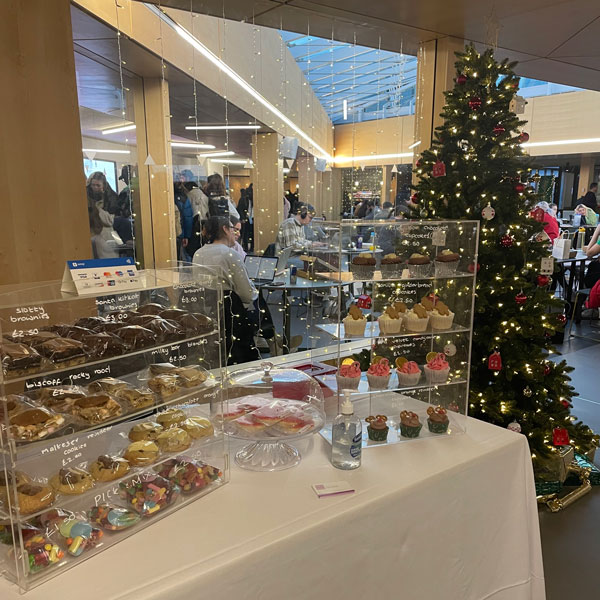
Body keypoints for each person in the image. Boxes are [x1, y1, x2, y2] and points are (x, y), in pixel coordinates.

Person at [192, 216, 259, 364]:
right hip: (230, 313)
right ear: (225, 229)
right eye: (233, 229)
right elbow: (246, 293)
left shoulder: (198, 253)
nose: (235, 233)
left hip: (206, 312)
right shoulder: (230, 254)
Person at [237, 185, 254, 252]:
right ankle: (246, 247)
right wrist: (242, 218)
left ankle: (252, 247)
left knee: (252, 234)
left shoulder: (254, 200)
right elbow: (240, 209)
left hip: (252, 218)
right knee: (245, 234)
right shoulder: (243, 199)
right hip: (246, 219)